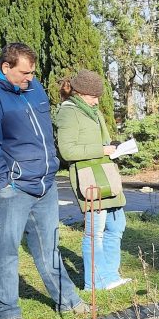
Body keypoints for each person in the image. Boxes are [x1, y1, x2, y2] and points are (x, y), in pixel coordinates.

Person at [0, 43, 88, 319]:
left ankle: (68, 300)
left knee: (50, 247)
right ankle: (8, 315)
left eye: (32, 72)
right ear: (6, 67)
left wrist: (50, 168)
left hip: (44, 182)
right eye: (24, 72)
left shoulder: (33, 89)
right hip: (10, 188)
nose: (30, 78)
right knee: (7, 251)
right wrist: (2, 183)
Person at [54, 70, 130, 291]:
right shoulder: (68, 112)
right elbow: (67, 151)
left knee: (117, 226)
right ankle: (95, 282)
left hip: (107, 174)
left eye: (98, 96)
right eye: (92, 96)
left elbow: (102, 141)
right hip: (90, 179)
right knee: (95, 232)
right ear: (78, 93)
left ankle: (110, 276)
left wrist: (115, 147)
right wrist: (102, 149)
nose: (97, 101)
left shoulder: (92, 111)